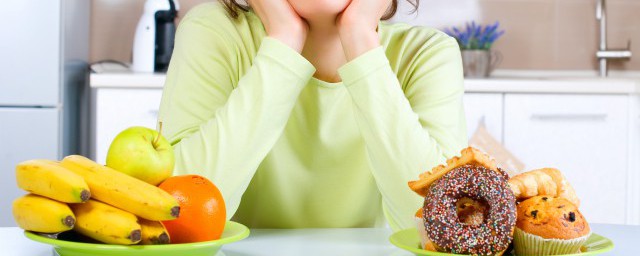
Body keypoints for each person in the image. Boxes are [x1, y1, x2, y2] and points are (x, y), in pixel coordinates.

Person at [157, 0, 467, 231]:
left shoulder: (427, 53)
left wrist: (360, 40)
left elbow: (443, 225)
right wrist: (283, 45)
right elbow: (179, 215)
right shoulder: (214, 31)